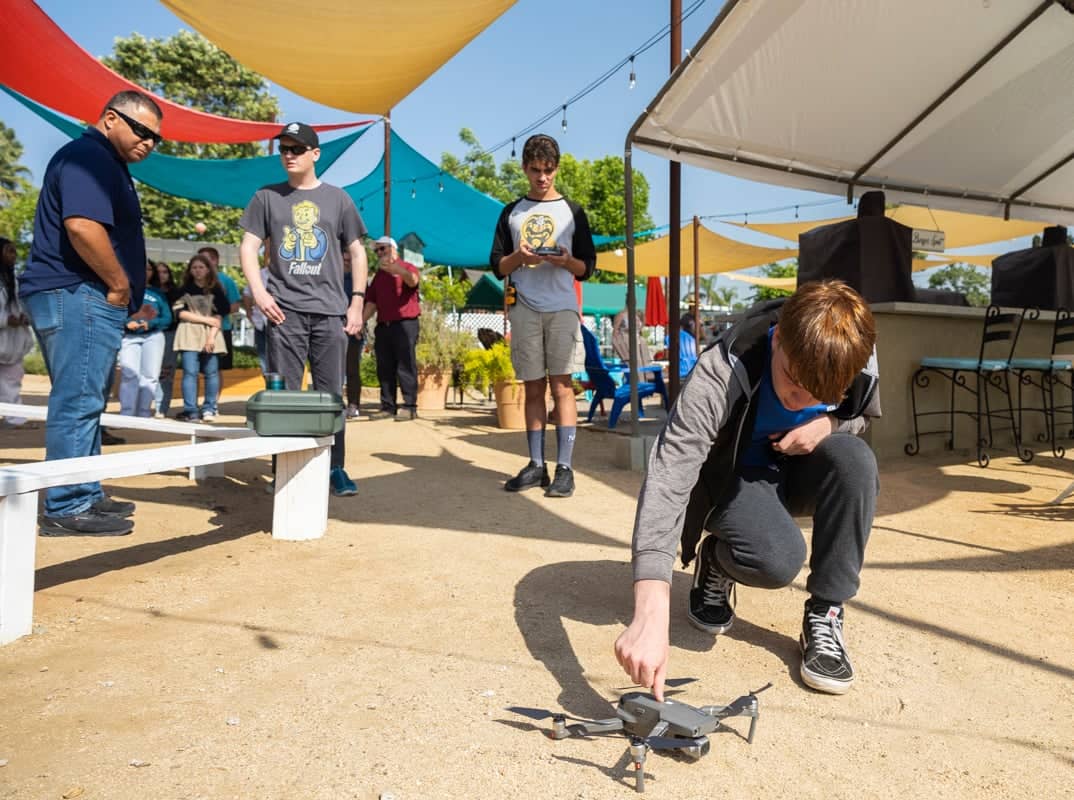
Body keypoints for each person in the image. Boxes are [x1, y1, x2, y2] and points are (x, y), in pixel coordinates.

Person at [614, 280, 880, 698]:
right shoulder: (722, 369)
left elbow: (861, 415)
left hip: (797, 468)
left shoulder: (854, 353)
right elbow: (670, 474)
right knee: (776, 562)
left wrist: (827, 424)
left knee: (855, 462)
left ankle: (826, 612)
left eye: (819, 395)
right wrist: (650, 613)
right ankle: (718, 560)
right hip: (734, 477)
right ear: (779, 342)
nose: (799, 400)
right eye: (792, 382)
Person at [18, 90, 163, 537]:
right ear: (110, 119)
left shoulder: (104, 161)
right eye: (141, 130)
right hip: (77, 292)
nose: (149, 142)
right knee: (79, 400)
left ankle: (84, 492)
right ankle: (67, 506)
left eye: (156, 138)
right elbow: (81, 226)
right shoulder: (90, 156)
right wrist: (120, 284)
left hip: (75, 293)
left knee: (87, 400)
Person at [239, 121, 367, 497]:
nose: (289, 156)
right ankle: (285, 468)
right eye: (284, 149)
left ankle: (335, 467)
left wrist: (356, 301)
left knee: (331, 394)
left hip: (330, 311)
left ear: (315, 154)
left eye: (297, 149)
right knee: (284, 395)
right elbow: (248, 247)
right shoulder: (266, 197)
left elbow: (357, 251)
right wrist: (260, 294)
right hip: (285, 311)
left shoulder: (338, 199)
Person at [489, 133, 596, 498]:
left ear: (557, 169)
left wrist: (566, 261)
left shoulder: (573, 211)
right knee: (532, 386)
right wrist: (520, 257)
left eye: (548, 170)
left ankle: (565, 468)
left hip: (563, 307)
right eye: (535, 170)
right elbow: (497, 267)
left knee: (562, 385)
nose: (542, 177)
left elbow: (587, 268)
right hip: (524, 308)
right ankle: (536, 464)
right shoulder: (512, 212)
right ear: (524, 169)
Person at [362, 236, 420, 421]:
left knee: (405, 364)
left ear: (394, 249)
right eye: (377, 250)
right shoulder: (379, 276)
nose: (379, 253)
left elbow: (413, 281)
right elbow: (371, 302)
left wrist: (399, 271)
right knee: (384, 367)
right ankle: (387, 406)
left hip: (405, 323)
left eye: (383, 249)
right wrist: (360, 321)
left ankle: (410, 406)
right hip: (384, 325)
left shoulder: (407, 267)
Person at [171, 253, 229, 421]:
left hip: (212, 334)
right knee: (190, 372)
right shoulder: (182, 290)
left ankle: (209, 408)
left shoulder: (216, 290)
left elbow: (220, 316)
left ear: (208, 269)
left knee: (211, 373)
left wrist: (211, 337)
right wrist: (206, 319)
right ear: (189, 270)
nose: (197, 271)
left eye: (201, 267)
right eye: (194, 267)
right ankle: (191, 410)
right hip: (188, 334)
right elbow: (180, 313)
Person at [118, 260, 171, 417]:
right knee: (129, 375)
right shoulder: (124, 289)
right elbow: (116, 313)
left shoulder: (158, 293)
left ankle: (144, 413)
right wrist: (127, 323)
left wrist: (152, 323)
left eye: (148, 269)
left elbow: (167, 318)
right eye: (142, 268)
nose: (145, 271)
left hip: (153, 336)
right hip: (129, 337)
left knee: (150, 376)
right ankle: (126, 414)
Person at [0, 237, 33, 427]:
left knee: (12, 380)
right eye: (9, 251)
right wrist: (4, 320)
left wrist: (24, 317)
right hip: (4, 334)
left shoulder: (15, 280)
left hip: (13, 341)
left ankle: (15, 418)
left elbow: (24, 306)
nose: (14, 255)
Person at [150, 260, 182, 417]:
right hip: (149, 333)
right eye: (159, 271)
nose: (162, 275)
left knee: (166, 372)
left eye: (165, 271)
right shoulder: (149, 291)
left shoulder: (176, 292)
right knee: (150, 372)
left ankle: (161, 407)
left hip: (170, 334)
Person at [342, 249, 367, 419]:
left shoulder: (360, 281)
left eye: (350, 257)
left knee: (352, 368)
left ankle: (353, 404)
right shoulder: (332, 277)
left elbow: (367, 304)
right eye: (344, 255)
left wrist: (361, 324)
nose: (347, 259)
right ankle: (334, 402)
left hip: (353, 329)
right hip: (332, 327)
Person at [241, 261, 271, 376]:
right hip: (261, 323)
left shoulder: (289, 273)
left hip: (283, 323)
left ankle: (284, 389)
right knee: (264, 358)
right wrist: (249, 311)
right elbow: (247, 293)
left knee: (283, 358)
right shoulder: (259, 274)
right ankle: (270, 388)